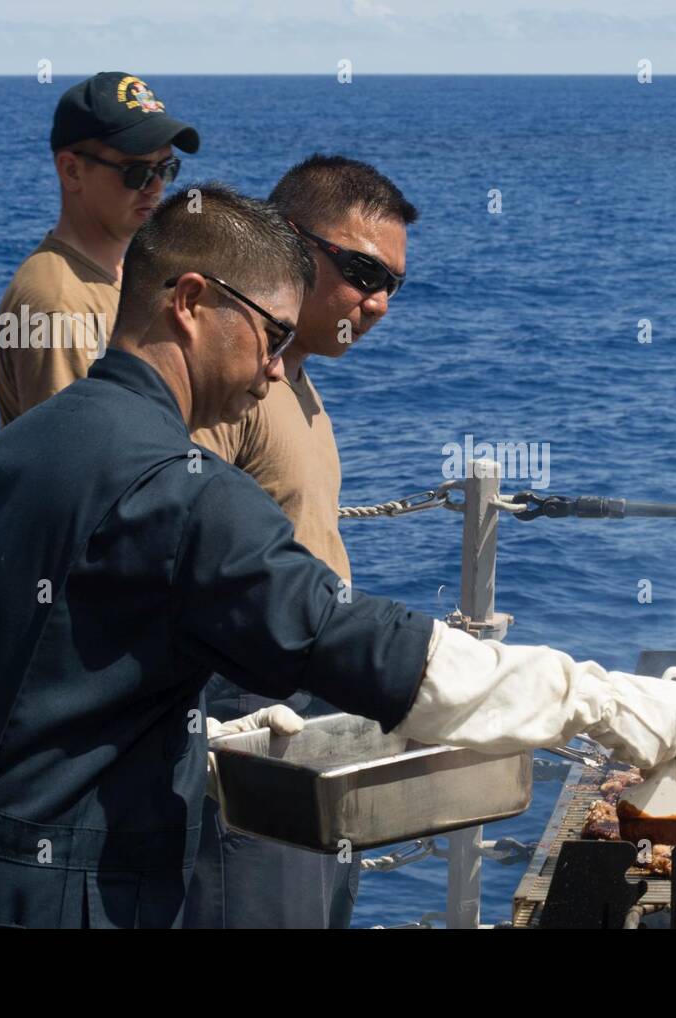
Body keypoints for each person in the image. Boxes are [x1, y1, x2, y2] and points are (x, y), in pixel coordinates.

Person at [0, 186, 676, 929]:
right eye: (271, 335)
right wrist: (594, 699)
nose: (276, 369)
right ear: (193, 302)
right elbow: (372, 651)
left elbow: (48, 689)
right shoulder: (187, 492)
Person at [187, 155, 415, 929]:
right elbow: (176, 553)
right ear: (289, 242)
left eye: (393, 285)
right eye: (360, 271)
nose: (378, 303)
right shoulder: (235, 386)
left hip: (307, 704)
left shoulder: (296, 381)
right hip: (245, 718)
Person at [0, 71, 197, 426]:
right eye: (137, 172)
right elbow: (73, 462)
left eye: (166, 168)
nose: (156, 187)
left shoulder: (128, 275)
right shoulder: (58, 305)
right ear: (71, 171)